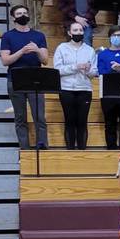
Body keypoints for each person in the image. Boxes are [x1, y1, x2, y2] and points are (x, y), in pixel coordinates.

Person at [1, 5, 50, 149]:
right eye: (19, 13)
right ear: (14, 17)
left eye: (25, 12)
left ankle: (42, 147)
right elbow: (5, 60)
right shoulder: (8, 36)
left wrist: (36, 50)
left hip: (36, 79)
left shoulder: (38, 36)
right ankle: (25, 149)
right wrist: (22, 51)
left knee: (39, 117)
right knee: (20, 118)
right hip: (16, 79)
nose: (23, 15)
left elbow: (45, 60)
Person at [53, 22, 96, 150]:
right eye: (75, 30)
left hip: (84, 89)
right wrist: (75, 67)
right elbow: (58, 70)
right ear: (69, 33)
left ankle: (82, 149)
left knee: (82, 121)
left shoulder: (90, 50)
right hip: (66, 90)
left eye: (80, 30)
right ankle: (70, 150)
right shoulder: (61, 48)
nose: (78, 33)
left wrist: (88, 70)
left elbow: (94, 72)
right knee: (69, 120)